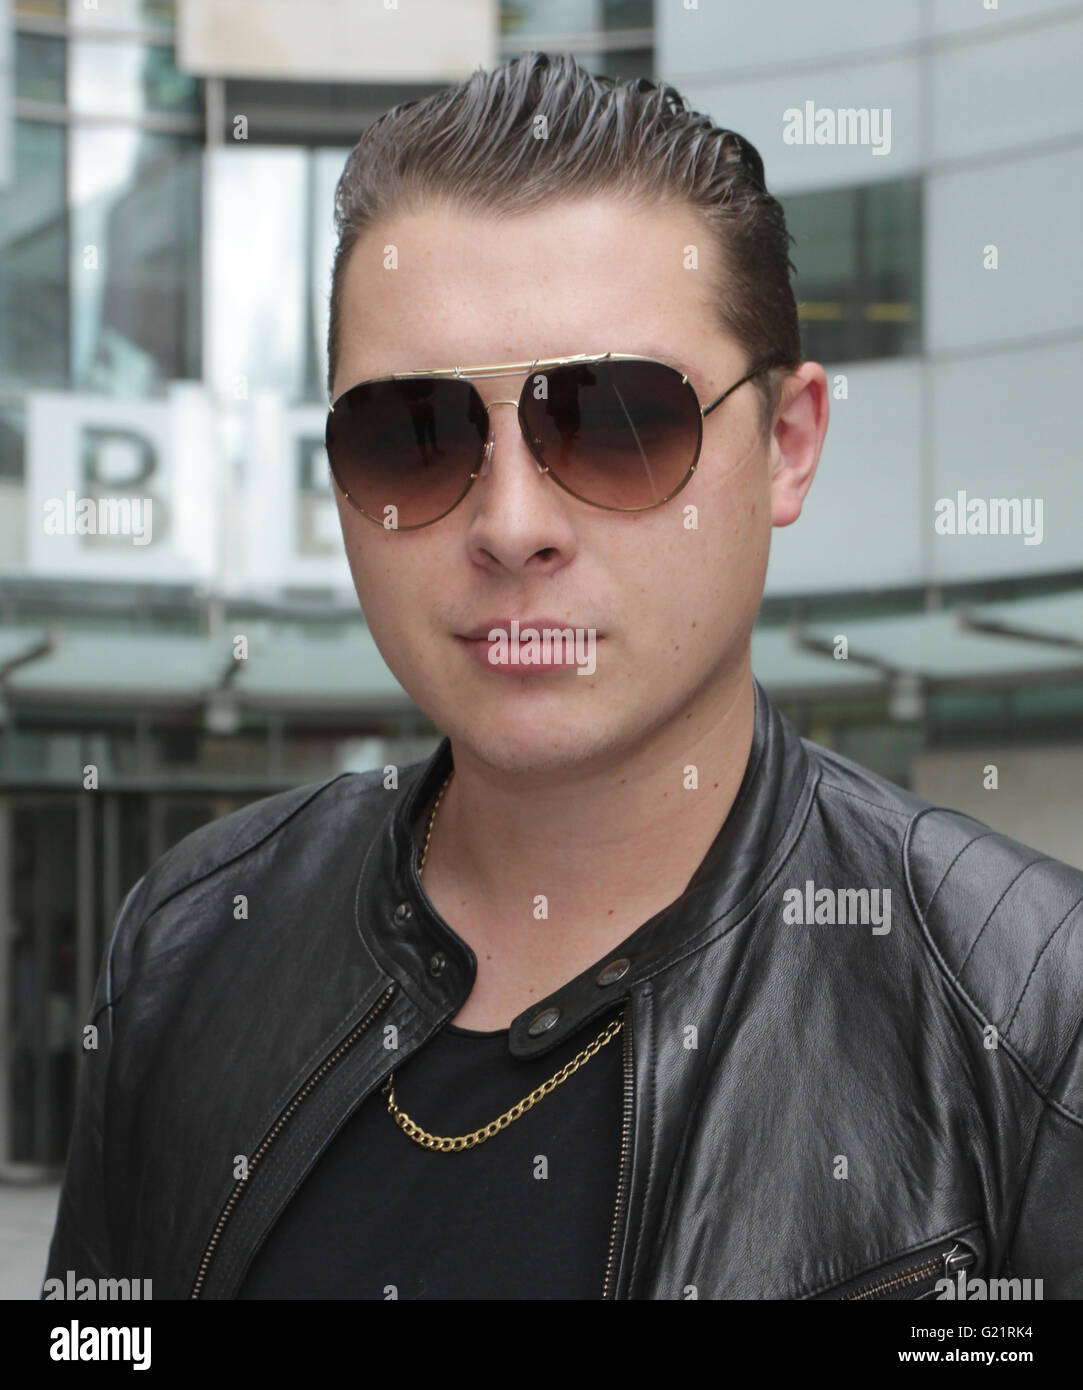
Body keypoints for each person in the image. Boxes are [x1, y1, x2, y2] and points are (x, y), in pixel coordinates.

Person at [45, 52, 1082, 1302]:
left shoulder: (1030, 1009)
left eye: (616, 420)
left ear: (789, 446)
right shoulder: (187, 945)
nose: (511, 521)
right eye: (415, 435)